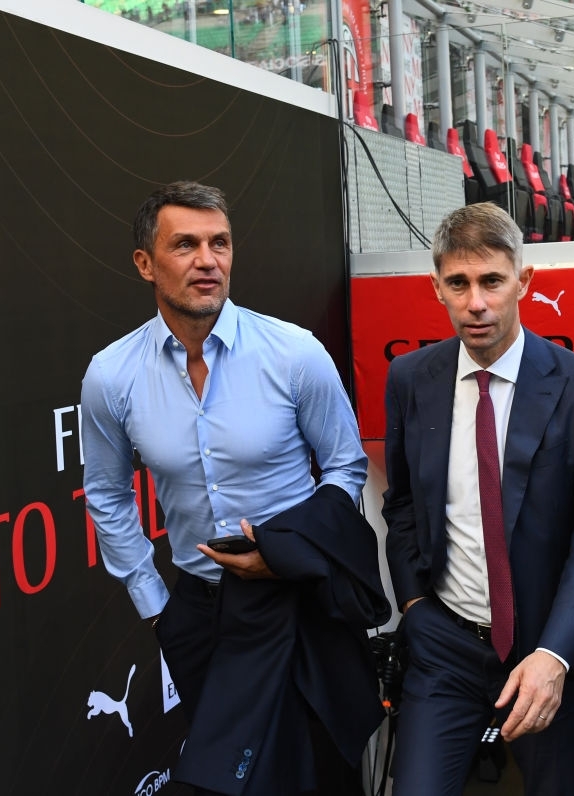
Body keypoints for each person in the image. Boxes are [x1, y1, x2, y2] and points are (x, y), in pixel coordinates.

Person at [80, 180, 389, 796]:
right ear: (145, 263)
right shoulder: (112, 375)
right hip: (200, 611)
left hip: (301, 600)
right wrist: (156, 604)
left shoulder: (294, 353)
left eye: (219, 243)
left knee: (326, 769)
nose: (207, 260)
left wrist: (289, 552)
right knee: (234, 780)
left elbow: (344, 467)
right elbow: (107, 494)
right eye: (185, 245)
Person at [382, 202, 574, 796]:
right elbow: (402, 505)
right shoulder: (410, 379)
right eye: (459, 283)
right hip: (445, 645)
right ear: (436, 288)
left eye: (492, 281)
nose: (476, 302)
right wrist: (415, 607)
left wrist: (554, 655)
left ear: (524, 281)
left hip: (547, 648)